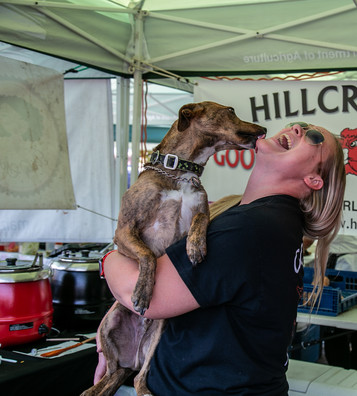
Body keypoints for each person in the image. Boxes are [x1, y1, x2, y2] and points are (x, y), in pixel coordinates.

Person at [100, 122, 346, 395]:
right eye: (296, 125)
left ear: (314, 179)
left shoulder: (253, 228)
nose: (297, 129)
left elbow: (145, 295)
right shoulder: (268, 220)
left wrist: (109, 257)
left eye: (312, 137)